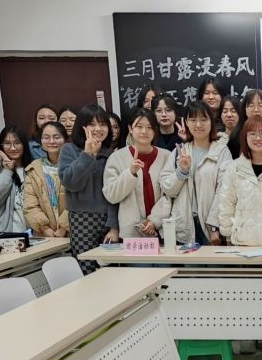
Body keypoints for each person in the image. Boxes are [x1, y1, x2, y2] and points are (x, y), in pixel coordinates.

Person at [161, 101, 232, 246]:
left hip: (211, 228)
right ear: (186, 122)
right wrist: (182, 171)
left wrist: (214, 226)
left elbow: (224, 191)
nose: (198, 124)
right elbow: (167, 189)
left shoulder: (222, 152)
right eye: (193, 120)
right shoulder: (179, 151)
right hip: (183, 226)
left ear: (211, 122)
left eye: (203, 119)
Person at [59, 105, 119, 274]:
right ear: (82, 127)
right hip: (81, 220)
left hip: (108, 219)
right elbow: (71, 183)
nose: (98, 129)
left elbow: (116, 194)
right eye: (92, 124)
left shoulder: (111, 154)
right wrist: (87, 154)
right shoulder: (69, 150)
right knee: (86, 269)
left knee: (112, 271)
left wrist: (114, 226)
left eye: (103, 124)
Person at [217, 115, 262, 246]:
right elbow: (226, 204)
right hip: (243, 243)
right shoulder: (234, 168)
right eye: (252, 133)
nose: (258, 138)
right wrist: (228, 233)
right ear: (245, 137)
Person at [103, 108, 172, 240]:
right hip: (131, 234)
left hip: (162, 230)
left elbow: (170, 194)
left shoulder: (166, 157)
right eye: (139, 127)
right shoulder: (117, 157)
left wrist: (154, 220)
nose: (144, 131)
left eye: (149, 127)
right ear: (130, 128)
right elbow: (111, 195)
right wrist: (130, 173)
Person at [0, 126, 33, 233]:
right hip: (6, 232)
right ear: (1, 146)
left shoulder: (33, 168)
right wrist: (7, 171)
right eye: (7, 143)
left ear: (24, 144)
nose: (13, 148)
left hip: (34, 231)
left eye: (17, 143)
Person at [23, 121, 68, 237]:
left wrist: (63, 227)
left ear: (65, 140)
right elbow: (30, 204)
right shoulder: (34, 169)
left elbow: (79, 200)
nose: (51, 141)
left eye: (56, 137)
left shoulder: (75, 165)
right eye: (46, 137)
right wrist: (45, 229)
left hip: (73, 232)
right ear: (41, 142)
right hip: (44, 235)